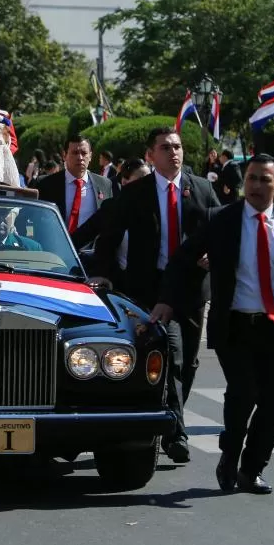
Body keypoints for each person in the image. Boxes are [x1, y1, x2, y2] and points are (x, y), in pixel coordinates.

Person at [150, 154, 274, 494]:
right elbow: (182, 260)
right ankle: (229, 456)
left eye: (265, 179)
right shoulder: (221, 220)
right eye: (252, 179)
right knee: (243, 394)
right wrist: (166, 301)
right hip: (235, 325)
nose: (257, 186)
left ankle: (252, 468)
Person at [93, 126, 220, 464]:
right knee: (172, 357)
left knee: (189, 362)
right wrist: (102, 272)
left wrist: (215, 254)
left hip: (192, 287)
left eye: (177, 147)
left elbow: (223, 228)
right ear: (151, 155)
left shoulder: (203, 190)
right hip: (150, 287)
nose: (173, 153)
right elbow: (109, 234)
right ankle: (175, 432)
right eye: (165, 148)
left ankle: (171, 414)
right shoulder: (137, 193)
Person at [71, 159, 151, 288]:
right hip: (118, 283)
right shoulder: (112, 208)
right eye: (143, 179)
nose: (149, 184)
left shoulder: (157, 210)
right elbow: (82, 236)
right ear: (125, 182)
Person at [35, 135, 114, 246]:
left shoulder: (104, 185)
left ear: (90, 156)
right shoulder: (46, 184)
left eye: (84, 153)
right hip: (56, 251)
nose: (80, 157)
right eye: (75, 153)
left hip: (93, 255)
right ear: (64, 155)